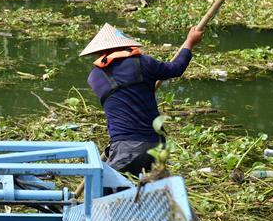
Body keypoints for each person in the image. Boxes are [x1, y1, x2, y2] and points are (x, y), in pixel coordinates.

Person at [82, 23, 204, 176]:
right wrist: (189, 42)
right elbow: (176, 68)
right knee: (148, 192)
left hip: (124, 147)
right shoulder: (144, 63)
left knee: (106, 191)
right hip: (155, 146)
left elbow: (121, 95)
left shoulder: (94, 78)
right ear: (124, 45)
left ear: (99, 52)